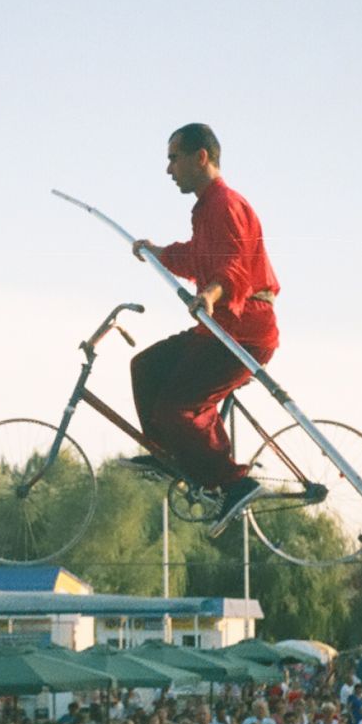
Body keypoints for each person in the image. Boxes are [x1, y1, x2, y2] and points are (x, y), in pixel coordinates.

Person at [126, 122, 285, 533]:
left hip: (244, 330)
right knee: (146, 366)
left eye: (173, 158)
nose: (168, 170)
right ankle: (173, 455)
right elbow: (197, 257)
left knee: (177, 406)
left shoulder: (226, 204)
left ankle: (235, 483)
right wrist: (158, 253)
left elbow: (233, 265)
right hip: (219, 329)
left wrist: (212, 295)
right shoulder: (205, 208)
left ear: (201, 157)